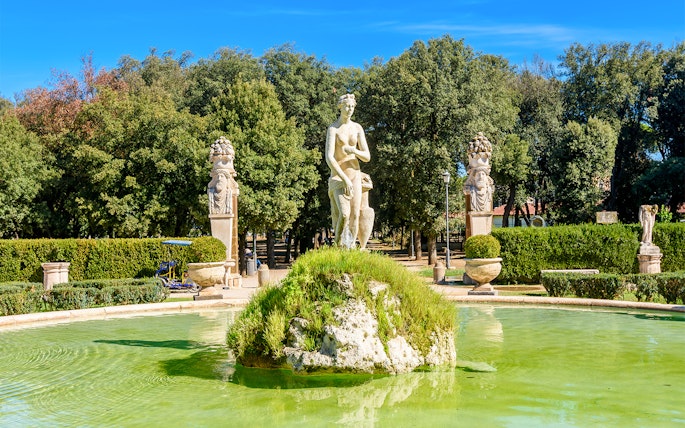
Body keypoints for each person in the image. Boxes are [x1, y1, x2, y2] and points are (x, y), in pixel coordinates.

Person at [326, 94, 371, 248]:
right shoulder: (333, 129)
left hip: (355, 174)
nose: (349, 109)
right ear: (340, 106)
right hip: (339, 177)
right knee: (344, 214)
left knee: (355, 214)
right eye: (347, 106)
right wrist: (344, 178)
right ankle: (338, 246)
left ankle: (350, 247)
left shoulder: (357, 128)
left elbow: (367, 156)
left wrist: (354, 150)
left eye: (352, 106)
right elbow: (329, 157)